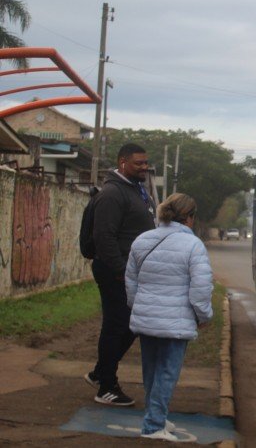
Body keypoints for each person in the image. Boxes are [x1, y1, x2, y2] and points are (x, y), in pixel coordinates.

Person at [126, 193, 213, 441]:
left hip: (146, 318)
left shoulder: (142, 240)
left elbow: (130, 281)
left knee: (151, 372)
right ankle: (153, 426)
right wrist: (204, 315)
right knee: (167, 373)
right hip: (176, 321)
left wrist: (139, 307)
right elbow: (200, 289)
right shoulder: (193, 245)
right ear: (189, 217)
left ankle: (155, 416)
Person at [85, 143, 155, 406]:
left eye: (146, 163)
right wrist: (120, 271)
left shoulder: (134, 190)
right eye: (139, 163)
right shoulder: (113, 193)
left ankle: (99, 372)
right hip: (115, 271)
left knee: (130, 324)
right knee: (118, 325)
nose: (144, 167)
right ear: (123, 162)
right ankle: (106, 387)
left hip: (129, 271)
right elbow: (104, 237)